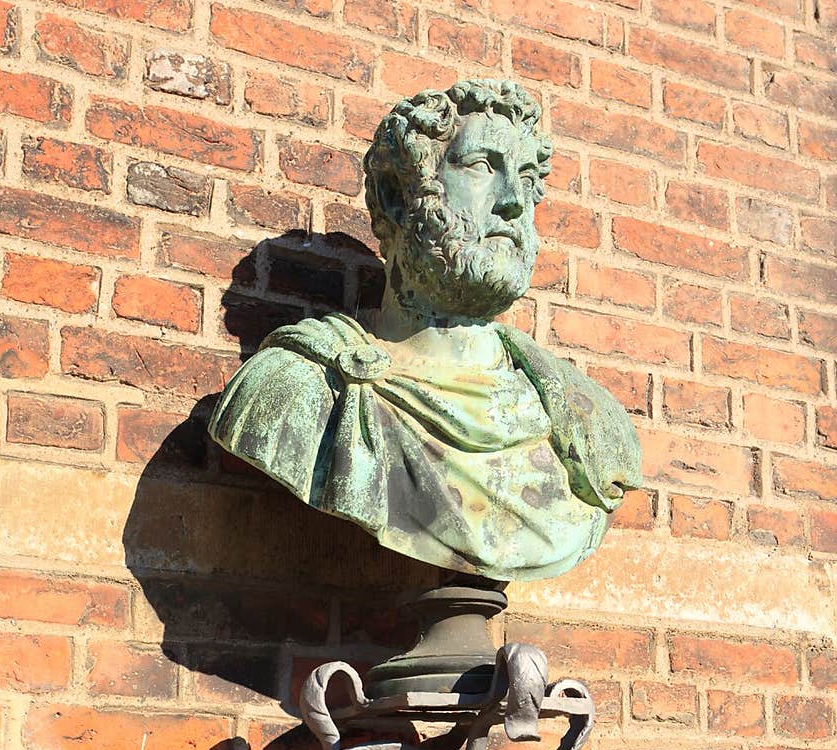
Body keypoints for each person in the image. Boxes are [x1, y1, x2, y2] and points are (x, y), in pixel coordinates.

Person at [208, 78, 642, 582]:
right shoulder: (292, 390)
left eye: (525, 178)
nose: (513, 203)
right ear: (396, 196)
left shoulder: (587, 423)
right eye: (482, 167)